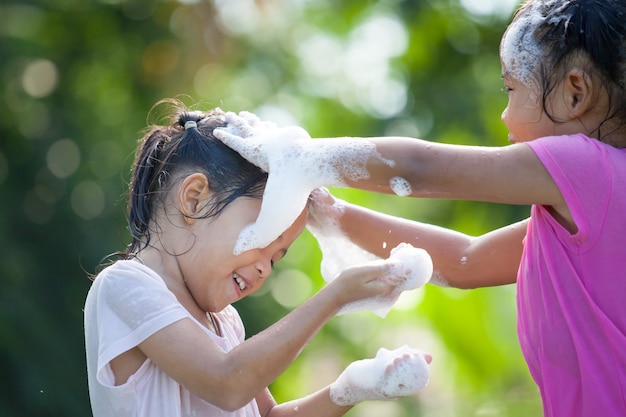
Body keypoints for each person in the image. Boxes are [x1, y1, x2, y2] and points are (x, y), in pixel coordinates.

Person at [213, 0, 626, 416]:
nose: (504, 115)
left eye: (511, 89)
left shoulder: (592, 169)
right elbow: (466, 261)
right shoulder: (586, 214)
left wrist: (298, 157)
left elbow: (420, 168)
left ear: (575, 93)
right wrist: (331, 214)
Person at [83, 101, 433, 417]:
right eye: (263, 238)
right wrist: (336, 294)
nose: (266, 267)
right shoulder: (126, 285)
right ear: (194, 199)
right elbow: (226, 384)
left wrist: (354, 387)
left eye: (277, 258)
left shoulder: (225, 323)